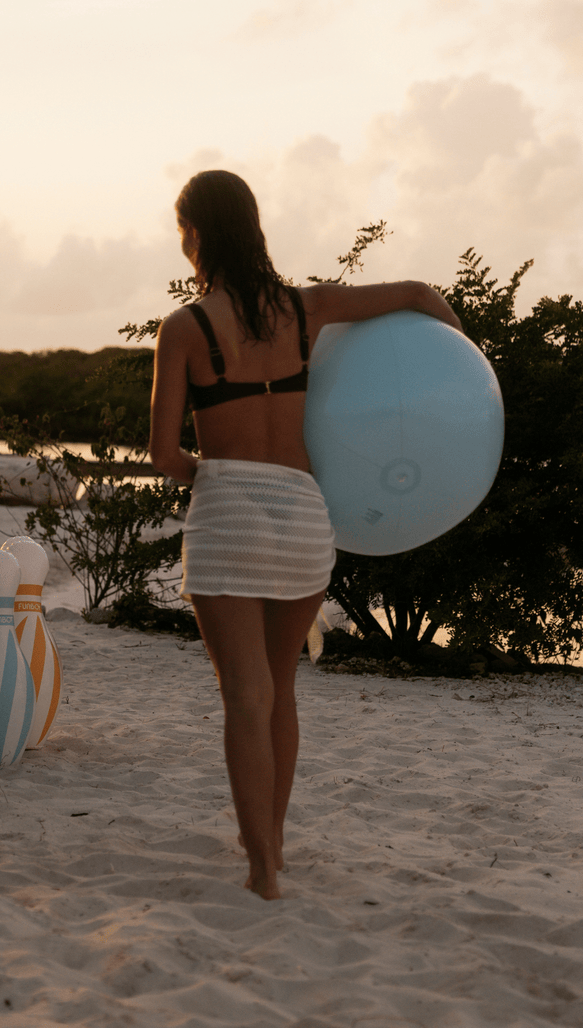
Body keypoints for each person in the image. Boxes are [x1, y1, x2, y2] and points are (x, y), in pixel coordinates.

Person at [149, 171, 462, 899]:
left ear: (196, 234)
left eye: (182, 231)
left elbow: (165, 456)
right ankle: (275, 848)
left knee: (244, 698)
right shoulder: (305, 307)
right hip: (301, 515)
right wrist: (461, 372)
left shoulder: (185, 329)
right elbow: (419, 293)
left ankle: (260, 869)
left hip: (229, 516)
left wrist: (211, 475)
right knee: (280, 692)